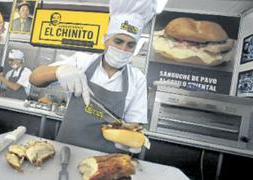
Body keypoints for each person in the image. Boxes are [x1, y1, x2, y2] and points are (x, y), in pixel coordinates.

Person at [29, 0, 166, 153]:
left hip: (107, 161)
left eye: (130, 44)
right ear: (105, 40)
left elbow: (134, 125)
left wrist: (132, 142)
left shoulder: (137, 79)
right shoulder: (81, 61)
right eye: (118, 41)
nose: (123, 49)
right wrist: (59, 71)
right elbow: (34, 78)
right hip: (67, 152)